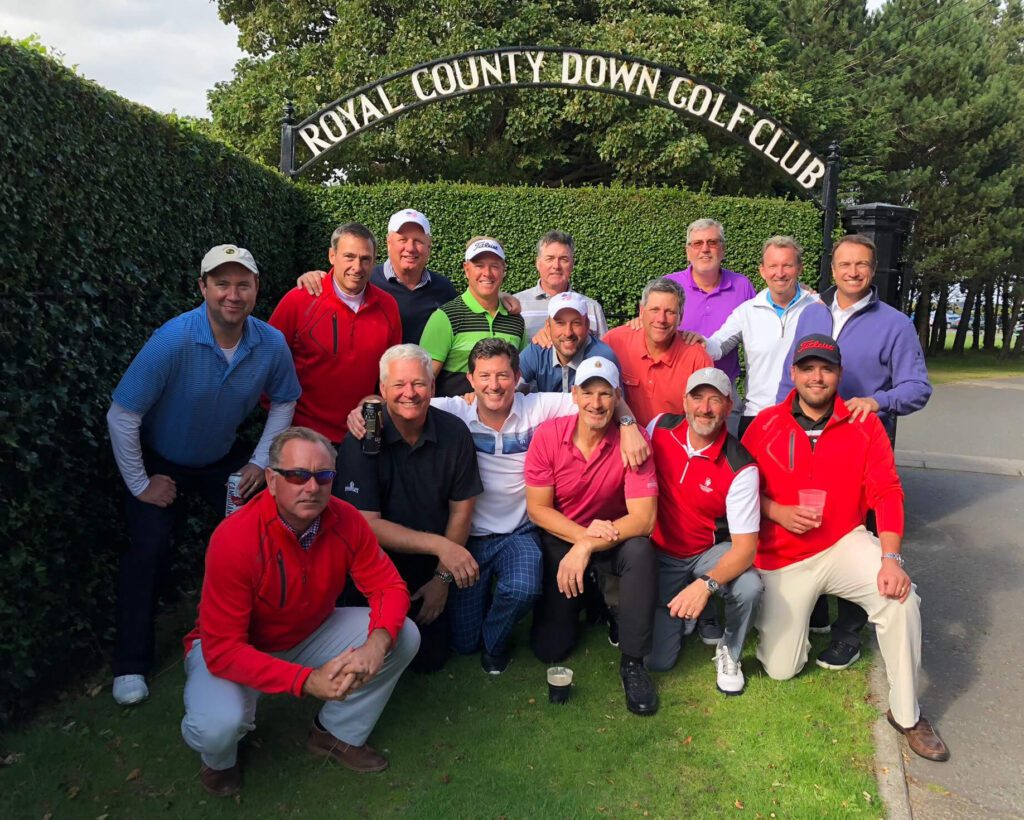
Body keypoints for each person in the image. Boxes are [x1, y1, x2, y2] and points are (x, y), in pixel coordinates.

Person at [345, 339, 650, 674]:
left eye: (503, 375)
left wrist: (629, 425)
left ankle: (495, 642)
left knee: (522, 587)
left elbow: (598, 398)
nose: (494, 385)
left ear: (517, 376)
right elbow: (398, 397)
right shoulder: (451, 410)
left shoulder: (538, 406)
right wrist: (366, 406)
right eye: (485, 376)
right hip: (470, 539)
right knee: (462, 643)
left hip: (519, 533)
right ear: (471, 380)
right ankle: (483, 613)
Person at [106, 244, 300, 706]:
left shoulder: (270, 342)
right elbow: (122, 415)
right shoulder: (173, 339)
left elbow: (286, 400)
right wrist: (140, 484)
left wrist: (259, 462)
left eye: (242, 284)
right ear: (203, 288)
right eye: (221, 284)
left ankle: (252, 637)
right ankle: (130, 665)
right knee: (147, 551)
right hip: (160, 458)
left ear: (256, 290)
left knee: (256, 538)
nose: (232, 295)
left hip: (221, 457)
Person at [742, 334, 949, 762]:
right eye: (808, 368)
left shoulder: (862, 423)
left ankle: (906, 714)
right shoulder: (765, 423)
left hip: (842, 542)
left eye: (826, 369)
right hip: (783, 555)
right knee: (781, 669)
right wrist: (776, 511)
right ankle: (792, 635)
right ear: (794, 374)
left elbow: (887, 491)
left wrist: (891, 559)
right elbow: (739, 491)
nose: (817, 377)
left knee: (900, 598)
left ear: (838, 374)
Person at [180, 427, 419, 797]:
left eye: (323, 476)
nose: (312, 487)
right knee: (218, 724)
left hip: (307, 631)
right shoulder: (234, 537)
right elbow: (223, 649)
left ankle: (335, 734)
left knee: (402, 635)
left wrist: (377, 641)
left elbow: (388, 586)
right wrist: (307, 681)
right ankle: (219, 762)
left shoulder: (346, 518)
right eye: (297, 475)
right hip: (233, 647)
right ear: (272, 481)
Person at [777, 233, 933, 672]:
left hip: (857, 445)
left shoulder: (895, 324)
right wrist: (779, 421)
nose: (852, 272)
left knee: (858, 534)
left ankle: (849, 632)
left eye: (861, 265)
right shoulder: (812, 312)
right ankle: (815, 611)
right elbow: (791, 377)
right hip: (808, 441)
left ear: (873, 269)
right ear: (832, 269)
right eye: (844, 264)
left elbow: (918, 387)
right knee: (809, 523)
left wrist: (879, 400)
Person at [524, 357, 661, 716]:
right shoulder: (549, 435)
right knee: (550, 649)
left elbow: (644, 520)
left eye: (604, 394)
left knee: (641, 551)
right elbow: (538, 509)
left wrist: (588, 544)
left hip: (611, 536)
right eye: (588, 393)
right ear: (573, 394)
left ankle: (633, 662)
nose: (596, 403)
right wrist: (580, 538)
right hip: (564, 535)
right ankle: (597, 601)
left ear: (617, 397)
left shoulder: (634, 440)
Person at [335, 344, 483, 672]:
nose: (410, 393)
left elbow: (462, 511)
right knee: (374, 657)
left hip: (431, 569)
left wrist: (442, 580)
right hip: (372, 568)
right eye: (399, 385)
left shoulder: (454, 432)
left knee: (432, 660)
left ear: (432, 386)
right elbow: (366, 524)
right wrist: (441, 546)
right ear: (383, 389)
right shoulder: (364, 435)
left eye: (418, 383)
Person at [645, 368, 762, 696]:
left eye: (715, 400)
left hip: (706, 552)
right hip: (660, 551)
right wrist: (628, 425)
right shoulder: (659, 427)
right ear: (684, 401)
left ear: (729, 406)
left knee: (749, 586)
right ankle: (693, 615)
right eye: (697, 397)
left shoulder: (741, 465)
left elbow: (745, 550)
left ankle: (730, 651)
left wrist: (705, 585)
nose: (705, 408)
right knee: (657, 661)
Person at [268, 223, 401, 443]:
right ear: (332, 256)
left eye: (365, 259)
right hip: (303, 436)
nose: (357, 267)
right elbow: (267, 361)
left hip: (361, 435)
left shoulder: (388, 307)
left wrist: (379, 401)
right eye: (349, 256)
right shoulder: (300, 299)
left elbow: (390, 375)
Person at [702, 236, 817, 438]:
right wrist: (690, 339)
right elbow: (718, 346)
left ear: (799, 269)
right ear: (762, 270)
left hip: (805, 416)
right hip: (757, 417)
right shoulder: (747, 311)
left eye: (787, 265)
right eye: (773, 266)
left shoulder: (818, 308)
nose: (779, 273)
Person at [296, 209, 457, 344]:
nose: (410, 248)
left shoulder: (444, 289)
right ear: (388, 243)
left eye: (418, 241)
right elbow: (337, 285)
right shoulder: (364, 280)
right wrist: (313, 277)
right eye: (402, 240)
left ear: (429, 245)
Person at [419, 237, 527, 396]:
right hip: (455, 418)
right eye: (479, 265)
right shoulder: (445, 318)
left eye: (494, 266)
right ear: (466, 269)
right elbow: (423, 382)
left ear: (504, 269)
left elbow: (520, 377)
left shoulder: (516, 321)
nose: (487, 273)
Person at [664, 218, 757, 400]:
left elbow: (758, 331)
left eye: (712, 242)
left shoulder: (742, 286)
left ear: (723, 249)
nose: (705, 249)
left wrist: (798, 290)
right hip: (676, 388)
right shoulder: (669, 285)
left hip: (724, 392)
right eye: (697, 243)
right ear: (688, 252)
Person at [603, 278, 713, 427]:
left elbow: (704, 417)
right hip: (620, 441)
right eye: (654, 310)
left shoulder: (697, 358)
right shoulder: (614, 342)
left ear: (681, 317)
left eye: (670, 312)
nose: (661, 319)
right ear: (641, 312)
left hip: (672, 445)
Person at [513, 230, 609, 340]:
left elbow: (603, 353)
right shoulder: (516, 305)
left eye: (564, 259)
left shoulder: (592, 308)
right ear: (538, 263)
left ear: (572, 264)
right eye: (550, 258)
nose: (556, 266)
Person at [518, 291, 620, 393]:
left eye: (576, 323)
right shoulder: (537, 351)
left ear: (587, 325)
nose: (568, 333)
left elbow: (611, 405)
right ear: (548, 327)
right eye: (560, 323)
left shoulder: (603, 358)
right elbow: (509, 388)